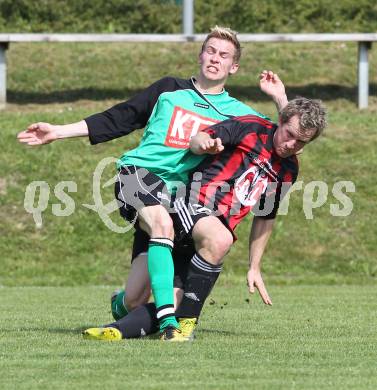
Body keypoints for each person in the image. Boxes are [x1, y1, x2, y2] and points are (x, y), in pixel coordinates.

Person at [17, 26, 287, 340]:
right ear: (200, 55)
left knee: (135, 298)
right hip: (138, 176)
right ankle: (169, 324)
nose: (215, 58)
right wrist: (58, 131)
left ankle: (122, 305)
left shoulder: (241, 115)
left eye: (224, 55)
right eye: (210, 51)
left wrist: (280, 98)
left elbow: (285, 140)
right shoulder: (169, 90)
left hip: (182, 202)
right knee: (161, 227)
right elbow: (120, 117)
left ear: (234, 67)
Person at [82, 97, 327, 342]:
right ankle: (187, 326)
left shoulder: (288, 170)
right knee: (220, 239)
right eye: (290, 134)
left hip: (203, 235)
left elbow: (265, 217)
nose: (291, 144)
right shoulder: (251, 128)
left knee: (151, 300)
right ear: (281, 121)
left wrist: (254, 267)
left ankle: (116, 329)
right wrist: (206, 143)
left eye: (301, 142)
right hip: (189, 205)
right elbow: (197, 139)